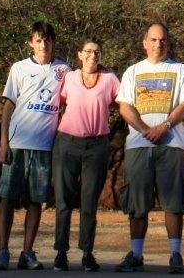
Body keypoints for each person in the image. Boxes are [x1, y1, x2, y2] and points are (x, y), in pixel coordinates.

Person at [114, 22, 184, 274]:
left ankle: (175, 254)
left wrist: (165, 125)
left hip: (170, 144)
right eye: (153, 39)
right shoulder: (132, 72)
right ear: (144, 43)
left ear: (168, 43)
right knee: (137, 202)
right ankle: (136, 255)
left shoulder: (181, 70)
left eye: (162, 40)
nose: (157, 44)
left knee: (173, 202)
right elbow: (125, 106)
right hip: (139, 145)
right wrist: (144, 129)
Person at [0, 21, 69, 271]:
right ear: (31, 43)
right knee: (7, 197)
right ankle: (3, 250)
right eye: (38, 40)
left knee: (35, 200)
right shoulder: (19, 68)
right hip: (18, 143)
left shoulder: (64, 69)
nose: (44, 44)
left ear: (53, 42)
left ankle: (27, 252)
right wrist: (4, 141)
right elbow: (8, 105)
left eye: (47, 39)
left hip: (45, 146)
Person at [52, 37, 120, 272]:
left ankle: (87, 253)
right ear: (79, 54)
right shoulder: (69, 77)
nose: (93, 55)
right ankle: (61, 252)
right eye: (88, 51)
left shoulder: (110, 79)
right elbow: (57, 103)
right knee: (63, 201)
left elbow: (121, 103)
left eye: (97, 52)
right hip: (67, 143)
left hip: (97, 146)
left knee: (89, 201)